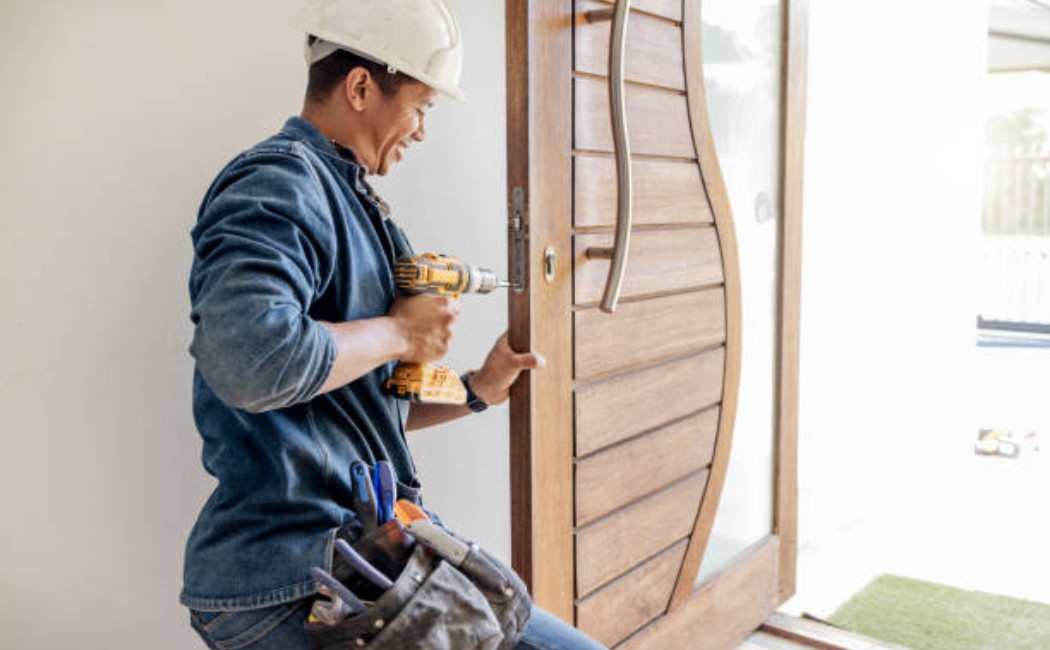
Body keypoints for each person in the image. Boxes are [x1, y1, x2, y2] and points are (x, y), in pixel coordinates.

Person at [181, 1, 608, 648]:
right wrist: (402, 333)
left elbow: (355, 409)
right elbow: (253, 361)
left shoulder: (349, 198)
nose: (422, 132)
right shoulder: (277, 182)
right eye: (421, 107)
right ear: (360, 87)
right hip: (294, 579)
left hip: (359, 555)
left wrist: (477, 390)